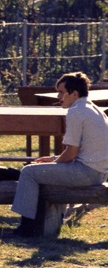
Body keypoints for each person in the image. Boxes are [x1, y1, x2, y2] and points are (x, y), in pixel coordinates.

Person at [11, 72, 108, 237]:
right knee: (38, 169)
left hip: (87, 173)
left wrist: (53, 164)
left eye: (62, 92)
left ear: (74, 94)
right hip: (98, 172)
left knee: (28, 172)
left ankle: (26, 229)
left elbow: (70, 154)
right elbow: (78, 152)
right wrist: (53, 159)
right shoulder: (94, 109)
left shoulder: (76, 111)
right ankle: (41, 226)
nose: (58, 96)